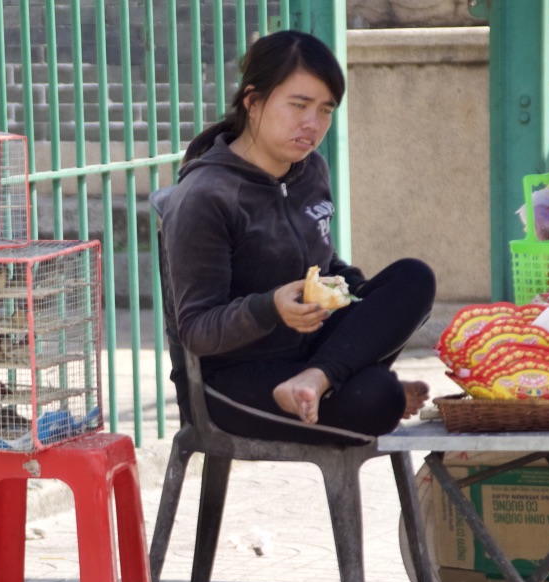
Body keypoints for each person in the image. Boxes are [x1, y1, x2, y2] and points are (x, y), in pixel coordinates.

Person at [159, 29, 436, 443]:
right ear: (253, 102)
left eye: (325, 110)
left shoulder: (310, 170)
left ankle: (319, 379)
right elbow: (196, 329)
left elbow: (324, 265)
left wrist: (359, 293)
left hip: (312, 355)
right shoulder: (205, 196)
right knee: (378, 399)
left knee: (414, 277)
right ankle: (355, 379)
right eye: (299, 105)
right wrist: (270, 307)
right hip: (234, 381)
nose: (313, 123)